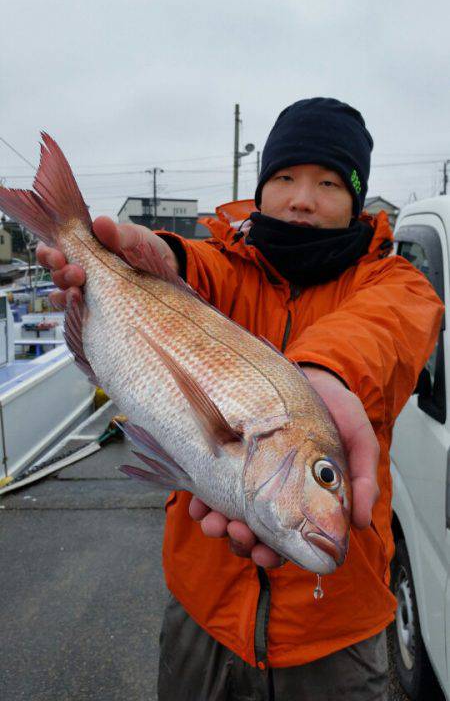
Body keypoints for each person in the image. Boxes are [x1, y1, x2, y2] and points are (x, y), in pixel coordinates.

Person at [37, 98, 443, 701]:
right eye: (285, 177)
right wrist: (162, 256)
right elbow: (192, 268)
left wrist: (322, 374)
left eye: (329, 183)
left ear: (357, 200)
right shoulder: (222, 269)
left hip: (335, 633)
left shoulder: (396, 283)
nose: (302, 198)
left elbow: (384, 327)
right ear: (261, 188)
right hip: (203, 611)